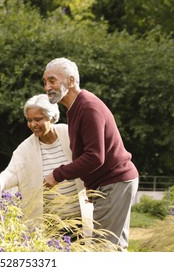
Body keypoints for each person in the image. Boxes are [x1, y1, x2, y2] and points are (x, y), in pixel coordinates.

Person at [42, 57, 139, 250]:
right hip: (110, 183)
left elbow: (95, 156)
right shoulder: (74, 108)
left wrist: (57, 175)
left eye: (52, 80)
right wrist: (91, 184)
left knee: (102, 249)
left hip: (115, 181)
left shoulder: (87, 107)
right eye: (44, 82)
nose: (47, 87)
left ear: (70, 81)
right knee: (114, 247)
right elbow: (86, 152)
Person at [0, 94, 93, 237]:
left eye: (38, 119)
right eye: (29, 120)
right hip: (51, 224)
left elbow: (90, 159)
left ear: (51, 117)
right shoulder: (25, 148)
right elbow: (12, 172)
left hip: (82, 216)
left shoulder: (70, 134)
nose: (33, 124)